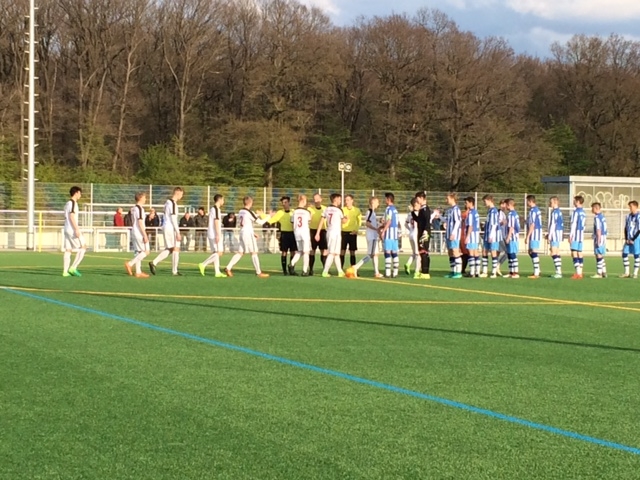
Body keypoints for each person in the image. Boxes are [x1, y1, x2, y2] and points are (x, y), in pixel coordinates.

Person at [224, 196, 270, 278]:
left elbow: (245, 223)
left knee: (240, 252)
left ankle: (228, 268)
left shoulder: (241, 211)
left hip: (242, 232)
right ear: (250, 203)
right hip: (247, 234)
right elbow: (260, 222)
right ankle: (258, 272)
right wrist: (269, 216)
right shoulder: (249, 212)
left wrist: (253, 233)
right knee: (254, 252)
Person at [149, 187, 184, 276]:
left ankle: (154, 262)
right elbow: (173, 218)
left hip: (166, 226)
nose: (182, 196)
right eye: (181, 194)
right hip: (170, 227)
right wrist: (178, 232)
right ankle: (174, 271)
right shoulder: (172, 203)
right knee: (176, 248)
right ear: (178, 193)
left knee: (170, 249)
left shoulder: (167, 202)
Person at [316, 193, 347, 277]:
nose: (340, 201)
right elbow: (343, 221)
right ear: (335, 199)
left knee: (336, 253)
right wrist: (346, 219)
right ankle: (325, 271)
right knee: (332, 253)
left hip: (330, 232)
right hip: (335, 233)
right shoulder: (338, 210)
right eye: (339, 199)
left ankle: (340, 271)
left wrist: (318, 233)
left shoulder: (327, 209)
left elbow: (321, 220)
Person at [353, 197, 383, 278]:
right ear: (373, 202)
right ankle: (356, 267)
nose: (378, 204)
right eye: (377, 202)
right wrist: (376, 229)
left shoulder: (373, 212)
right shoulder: (370, 212)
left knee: (375, 254)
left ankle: (376, 272)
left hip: (374, 236)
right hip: (372, 236)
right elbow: (367, 223)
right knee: (370, 255)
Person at [198, 194, 227, 277]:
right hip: (214, 233)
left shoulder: (213, 209)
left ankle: (217, 272)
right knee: (219, 252)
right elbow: (216, 222)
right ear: (219, 200)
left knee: (216, 252)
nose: (223, 201)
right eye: (223, 199)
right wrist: (218, 234)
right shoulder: (216, 209)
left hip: (211, 233)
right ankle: (203, 264)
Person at [267, 196, 297, 275]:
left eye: (285, 202)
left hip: (293, 234)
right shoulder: (280, 212)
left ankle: (291, 269)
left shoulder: (293, 212)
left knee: (293, 252)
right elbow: (272, 220)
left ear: (289, 203)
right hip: (284, 234)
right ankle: (284, 271)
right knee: (284, 252)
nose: (284, 204)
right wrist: (266, 221)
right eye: (283, 203)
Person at [62, 186, 87, 277]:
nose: (80, 195)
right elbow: (71, 216)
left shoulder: (67, 203)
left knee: (68, 249)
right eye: (80, 193)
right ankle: (73, 267)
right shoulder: (73, 203)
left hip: (66, 228)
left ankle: (65, 272)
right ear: (76, 193)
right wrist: (76, 229)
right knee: (83, 246)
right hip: (72, 229)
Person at [124, 192, 150, 278]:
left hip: (134, 231)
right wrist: (145, 235)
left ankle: (138, 272)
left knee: (138, 252)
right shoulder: (139, 209)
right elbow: (140, 222)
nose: (145, 199)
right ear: (140, 198)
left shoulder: (134, 208)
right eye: (144, 197)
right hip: (139, 232)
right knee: (146, 251)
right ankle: (130, 264)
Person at [289, 195, 312, 276]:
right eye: (305, 200)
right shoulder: (307, 212)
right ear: (302, 201)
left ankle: (292, 263)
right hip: (305, 232)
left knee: (300, 251)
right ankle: (304, 270)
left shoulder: (294, 212)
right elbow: (309, 221)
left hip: (297, 233)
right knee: (306, 252)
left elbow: (292, 223)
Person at [411, 192, 432, 279]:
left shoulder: (426, 209)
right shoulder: (422, 209)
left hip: (424, 233)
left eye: (417, 199)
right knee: (422, 252)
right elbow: (418, 220)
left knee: (424, 252)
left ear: (421, 198)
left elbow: (427, 222)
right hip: (420, 232)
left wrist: (426, 231)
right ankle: (423, 271)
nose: (417, 201)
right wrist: (413, 212)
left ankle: (425, 273)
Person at [480, 195, 500, 278]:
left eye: (485, 201)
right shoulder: (489, 211)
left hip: (493, 235)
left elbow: (494, 224)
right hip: (487, 234)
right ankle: (484, 271)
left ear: (489, 200)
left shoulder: (494, 211)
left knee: (493, 252)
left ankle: (494, 272)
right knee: (484, 251)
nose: (484, 203)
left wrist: (491, 235)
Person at [380, 192, 400, 278]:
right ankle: (395, 272)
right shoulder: (395, 209)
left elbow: (389, 221)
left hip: (389, 234)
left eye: (385, 199)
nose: (384, 200)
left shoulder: (388, 209)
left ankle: (388, 273)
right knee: (394, 253)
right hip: (395, 234)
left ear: (388, 199)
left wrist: (383, 231)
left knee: (387, 252)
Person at [308, 193, 327, 275]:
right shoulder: (310, 209)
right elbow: (308, 219)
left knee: (324, 251)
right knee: (312, 250)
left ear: (321, 199)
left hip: (323, 231)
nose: (316, 201)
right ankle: (311, 269)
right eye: (315, 199)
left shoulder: (325, 209)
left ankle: (325, 269)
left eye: (318, 199)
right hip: (312, 231)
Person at [340, 194, 362, 268]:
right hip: (343, 232)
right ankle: (341, 269)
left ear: (352, 201)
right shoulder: (342, 210)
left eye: (348, 200)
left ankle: (353, 268)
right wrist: (344, 220)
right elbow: (340, 220)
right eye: (345, 200)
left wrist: (356, 230)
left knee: (352, 251)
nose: (346, 202)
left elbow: (359, 221)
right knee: (342, 251)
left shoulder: (357, 210)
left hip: (352, 233)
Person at [445, 193, 462, 279]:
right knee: (450, 253)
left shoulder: (456, 209)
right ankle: (452, 271)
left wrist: (454, 233)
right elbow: (447, 220)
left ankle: (458, 272)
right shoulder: (450, 210)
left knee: (455, 252)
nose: (446, 200)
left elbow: (458, 221)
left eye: (447, 198)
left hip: (453, 235)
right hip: (448, 234)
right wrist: (439, 216)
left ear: (452, 199)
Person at [525, 195, 542, 278]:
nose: (526, 203)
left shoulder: (533, 211)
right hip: (536, 233)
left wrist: (527, 236)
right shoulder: (536, 210)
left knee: (534, 251)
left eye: (527, 201)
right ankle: (538, 269)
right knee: (530, 252)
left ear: (530, 201)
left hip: (534, 233)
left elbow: (532, 224)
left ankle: (536, 273)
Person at [569, 195, 586, 279]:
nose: (573, 202)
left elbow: (574, 224)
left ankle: (578, 273)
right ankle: (580, 272)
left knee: (574, 252)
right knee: (579, 252)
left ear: (578, 202)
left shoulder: (575, 212)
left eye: (574, 201)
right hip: (581, 234)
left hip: (575, 234)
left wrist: (571, 235)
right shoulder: (583, 212)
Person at [547, 196, 564, 279]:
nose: (550, 203)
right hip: (558, 234)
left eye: (551, 202)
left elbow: (553, 224)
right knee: (557, 252)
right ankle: (559, 271)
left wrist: (549, 235)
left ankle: (558, 272)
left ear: (555, 202)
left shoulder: (554, 212)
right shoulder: (559, 212)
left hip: (554, 234)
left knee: (553, 253)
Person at [464, 197, 480, 278]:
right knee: (476, 253)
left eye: (466, 203)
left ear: (471, 203)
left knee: (471, 253)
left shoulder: (471, 213)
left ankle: (472, 272)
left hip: (471, 234)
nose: (465, 204)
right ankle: (477, 272)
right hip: (476, 234)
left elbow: (470, 226)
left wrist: (467, 237)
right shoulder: (476, 212)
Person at [591, 202, 608, 279]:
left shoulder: (597, 217)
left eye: (592, 208)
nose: (591, 210)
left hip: (600, 237)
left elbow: (598, 229)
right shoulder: (602, 216)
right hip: (603, 237)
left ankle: (599, 273)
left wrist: (598, 240)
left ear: (595, 208)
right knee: (600, 254)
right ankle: (604, 272)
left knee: (598, 255)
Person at [505, 198, 520, 278]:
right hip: (513, 237)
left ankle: (516, 272)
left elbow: (511, 227)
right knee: (510, 254)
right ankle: (511, 272)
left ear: (509, 205)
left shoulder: (511, 214)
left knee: (512, 254)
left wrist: (508, 237)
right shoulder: (515, 213)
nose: (505, 207)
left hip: (513, 237)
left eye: (506, 205)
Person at [404, 198, 420, 276]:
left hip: (411, 234)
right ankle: (417, 271)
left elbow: (405, 224)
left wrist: (410, 229)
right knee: (418, 253)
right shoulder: (418, 213)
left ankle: (408, 263)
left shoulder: (410, 214)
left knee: (414, 252)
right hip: (416, 234)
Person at [460, 205, 470, 275]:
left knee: (464, 254)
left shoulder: (462, 214)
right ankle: (462, 269)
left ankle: (460, 268)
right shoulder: (467, 214)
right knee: (466, 254)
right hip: (464, 236)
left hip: (462, 235)